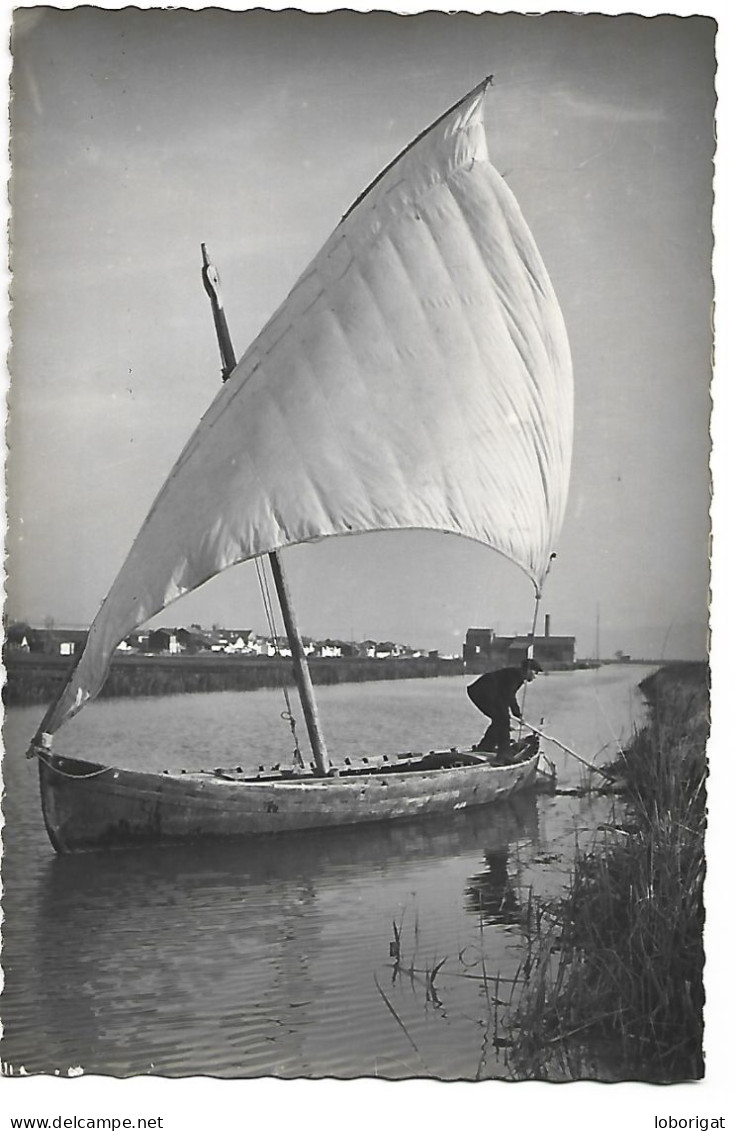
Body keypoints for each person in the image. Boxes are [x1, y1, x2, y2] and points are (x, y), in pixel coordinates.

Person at [466, 659, 542, 755]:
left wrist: (515, 715)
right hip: (481, 692)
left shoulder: (517, 676)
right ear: (528, 670)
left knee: (500, 720)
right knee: (503, 719)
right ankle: (504, 752)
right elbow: (509, 696)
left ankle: (485, 747)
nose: (535, 676)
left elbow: (507, 695)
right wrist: (516, 714)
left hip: (483, 693)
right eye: (535, 673)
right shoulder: (516, 675)